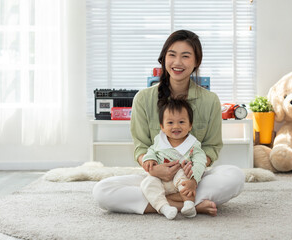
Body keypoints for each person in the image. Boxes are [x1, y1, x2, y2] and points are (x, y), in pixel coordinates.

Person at [93, 29, 245, 216]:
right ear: (164, 58)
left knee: (235, 176)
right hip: (156, 177)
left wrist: (193, 172)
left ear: (196, 61)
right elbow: (141, 147)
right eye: (172, 55)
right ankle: (188, 205)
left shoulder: (210, 100)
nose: (177, 62)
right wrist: (156, 169)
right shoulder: (143, 99)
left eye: (186, 56)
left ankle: (167, 202)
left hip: (192, 177)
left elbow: (212, 147)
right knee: (102, 191)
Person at [141, 98, 207, 220]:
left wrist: (194, 180)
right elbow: (151, 150)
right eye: (170, 123)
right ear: (162, 126)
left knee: (185, 173)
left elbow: (200, 161)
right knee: (147, 183)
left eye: (181, 122)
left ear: (190, 125)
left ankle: (189, 204)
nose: (176, 126)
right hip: (159, 179)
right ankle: (164, 207)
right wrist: (149, 159)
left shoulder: (193, 144)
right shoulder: (159, 140)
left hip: (180, 180)